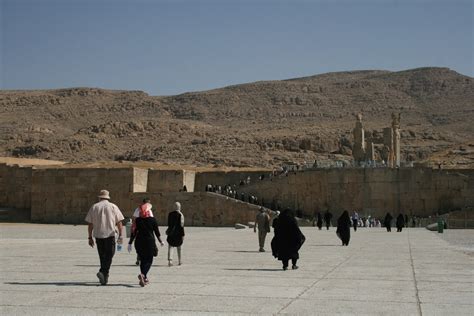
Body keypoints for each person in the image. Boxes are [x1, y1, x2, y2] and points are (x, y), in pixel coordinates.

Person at [85, 189, 124, 285]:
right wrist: (121, 235)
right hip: (110, 235)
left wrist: (90, 237)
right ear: (107, 197)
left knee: (102, 256)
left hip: (98, 235)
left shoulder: (94, 207)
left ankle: (104, 277)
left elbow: (90, 224)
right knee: (109, 255)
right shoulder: (113, 206)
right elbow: (119, 222)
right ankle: (103, 272)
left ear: (100, 197)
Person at [128, 203, 164, 287]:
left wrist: (130, 243)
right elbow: (157, 232)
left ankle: (144, 278)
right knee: (149, 260)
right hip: (149, 242)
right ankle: (143, 274)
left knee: (142, 260)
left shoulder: (137, 220)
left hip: (139, 242)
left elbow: (134, 232)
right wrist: (160, 241)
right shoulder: (153, 220)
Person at [132, 198, 154, 265]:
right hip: (146, 231)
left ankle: (139, 259)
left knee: (140, 245)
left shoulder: (138, 209)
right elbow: (152, 220)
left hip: (139, 230)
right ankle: (141, 259)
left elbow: (134, 218)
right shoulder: (148, 210)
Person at [166, 202, 185, 266]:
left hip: (171, 233)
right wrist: (183, 235)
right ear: (179, 207)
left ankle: (170, 261)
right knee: (179, 247)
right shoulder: (181, 215)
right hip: (178, 233)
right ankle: (180, 261)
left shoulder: (170, 214)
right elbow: (181, 226)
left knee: (171, 246)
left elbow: (169, 224)